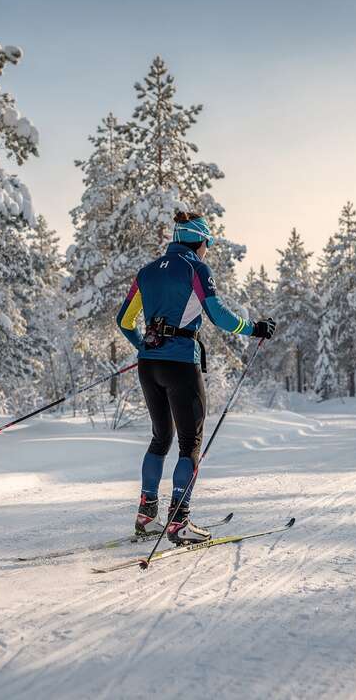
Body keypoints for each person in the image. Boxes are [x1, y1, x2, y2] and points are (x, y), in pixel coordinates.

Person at [115, 211, 276, 544]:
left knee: (161, 438)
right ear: (201, 241)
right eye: (208, 245)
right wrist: (253, 328)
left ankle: (146, 517)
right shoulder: (196, 268)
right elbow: (216, 315)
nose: (207, 251)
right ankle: (179, 522)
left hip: (150, 364)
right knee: (190, 444)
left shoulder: (145, 272)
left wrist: (144, 347)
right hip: (180, 364)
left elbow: (124, 321)